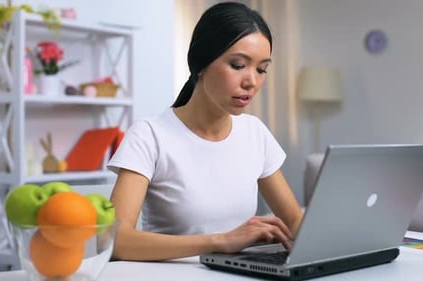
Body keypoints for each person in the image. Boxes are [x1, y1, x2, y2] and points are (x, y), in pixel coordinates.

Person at [107, 1, 303, 261]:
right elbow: (115, 240)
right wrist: (221, 241)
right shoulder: (150, 135)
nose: (252, 82)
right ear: (200, 64)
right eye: (237, 65)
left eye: (261, 69)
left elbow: (294, 221)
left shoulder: (254, 132)